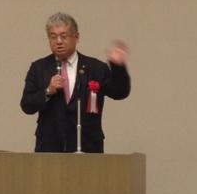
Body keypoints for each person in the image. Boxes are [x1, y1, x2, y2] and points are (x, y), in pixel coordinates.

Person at [20, 12, 131, 153]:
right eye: (53, 37)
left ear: (77, 37)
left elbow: (120, 92)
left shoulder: (95, 68)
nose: (58, 41)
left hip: (88, 147)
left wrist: (118, 67)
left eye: (64, 36)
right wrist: (48, 91)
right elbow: (27, 105)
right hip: (50, 148)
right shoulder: (39, 68)